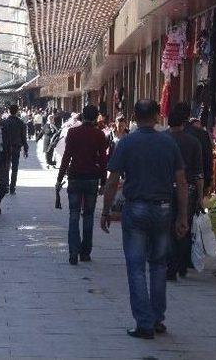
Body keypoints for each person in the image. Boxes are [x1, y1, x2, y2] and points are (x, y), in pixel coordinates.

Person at [101, 99, 188, 340]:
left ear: (135, 117)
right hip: (163, 209)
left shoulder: (127, 142)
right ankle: (158, 318)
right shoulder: (169, 142)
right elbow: (181, 182)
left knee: (136, 267)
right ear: (158, 115)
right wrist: (182, 215)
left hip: (136, 209)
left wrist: (106, 210)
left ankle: (144, 323)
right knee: (159, 265)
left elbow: (112, 181)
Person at [57, 105, 108, 265]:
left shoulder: (73, 132)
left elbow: (67, 156)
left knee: (73, 215)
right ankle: (85, 252)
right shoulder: (99, 135)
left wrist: (59, 178)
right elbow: (103, 160)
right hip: (92, 178)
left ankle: (73, 252)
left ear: (82, 116)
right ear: (95, 117)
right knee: (88, 215)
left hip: (75, 177)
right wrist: (103, 181)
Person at [166, 104, 203, 281]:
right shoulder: (193, 142)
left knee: (167, 227)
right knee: (184, 226)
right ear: (184, 122)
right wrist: (201, 196)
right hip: (187, 188)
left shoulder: (162, 140)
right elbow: (198, 172)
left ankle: (170, 266)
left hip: (165, 189)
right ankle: (182, 265)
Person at [2, 104, 28, 195]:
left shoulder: (5, 122)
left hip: (6, 148)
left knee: (6, 166)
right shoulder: (21, 123)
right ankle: (12, 187)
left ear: (9, 111)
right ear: (17, 111)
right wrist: (25, 149)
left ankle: (5, 186)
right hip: (16, 148)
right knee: (14, 168)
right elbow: (23, 137)